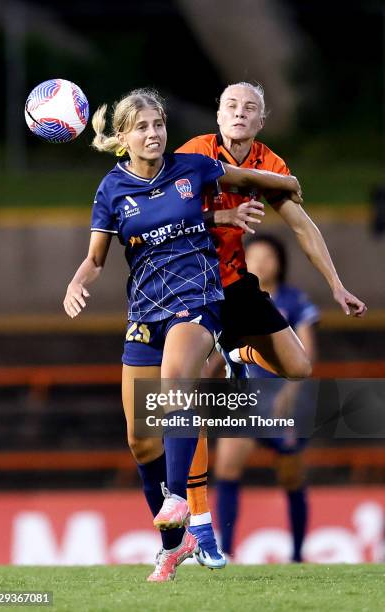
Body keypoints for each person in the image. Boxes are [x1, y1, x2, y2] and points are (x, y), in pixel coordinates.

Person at [63, 88, 300, 582]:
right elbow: (96, 258)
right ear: (123, 136)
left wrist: (285, 182)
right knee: (140, 440)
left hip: (198, 302)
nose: (154, 134)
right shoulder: (112, 189)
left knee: (175, 382)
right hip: (144, 312)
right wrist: (77, 282)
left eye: (159, 125)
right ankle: (174, 545)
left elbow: (242, 177)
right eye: (143, 127)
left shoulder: (191, 166)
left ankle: (179, 500)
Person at [177, 81, 366, 568]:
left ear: (262, 120)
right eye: (232, 106)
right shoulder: (193, 153)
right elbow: (166, 213)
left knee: (299, 369)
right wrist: (227, 208)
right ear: (217, 115)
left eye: (251, 108)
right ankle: (201, 525)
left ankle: (239, 353)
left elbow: (302, 225)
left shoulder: (269, 162)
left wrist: (337, 285)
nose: (240, 113)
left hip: (234, 283)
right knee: (182, 398)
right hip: (187, 285)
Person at [215, 233, 319, 562]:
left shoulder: (293, 300)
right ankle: (226, 550)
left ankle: (298, 554)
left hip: (281, 401)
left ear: (280, 263)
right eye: (254, 255)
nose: (261, 262)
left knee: (291, 474)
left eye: (268, 256)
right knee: (227, 467)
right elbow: (220, 347)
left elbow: (306, 353)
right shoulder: (233, 297)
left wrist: (289, 393)